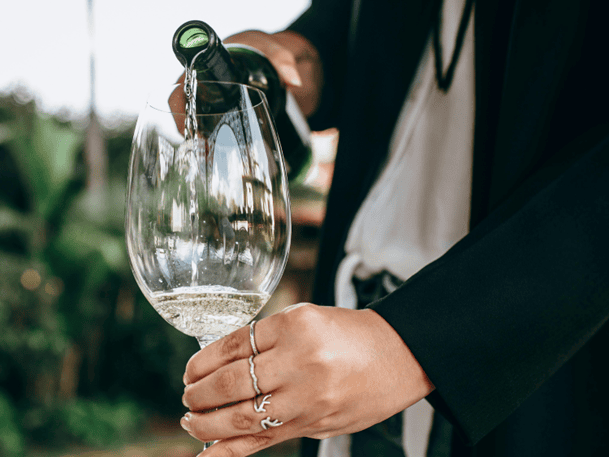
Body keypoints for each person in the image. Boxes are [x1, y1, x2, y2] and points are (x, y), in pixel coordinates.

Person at [176, 0, 609, 456]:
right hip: (348, 334)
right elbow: (364, 27)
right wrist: (300, 58)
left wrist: (417, 343)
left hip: (509, 375)